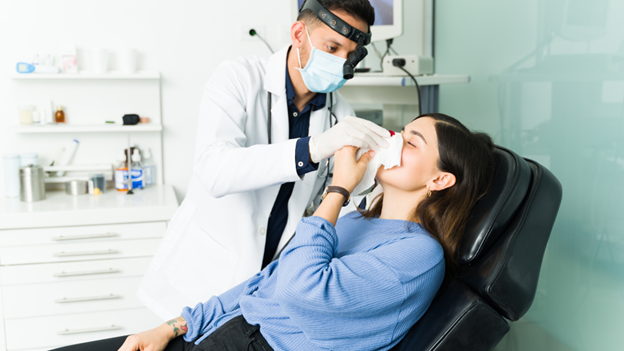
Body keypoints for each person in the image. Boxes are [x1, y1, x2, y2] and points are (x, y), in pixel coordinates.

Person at [52, 113, 496, 351]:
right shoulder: (360, 219)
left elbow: (304, 287)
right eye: (402, 131)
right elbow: (265, 280)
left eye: (411, 142)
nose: (394, 141)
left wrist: (338, 187)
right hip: (222, 329)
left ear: (439, 181)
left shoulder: (419, 257)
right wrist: (173, 326)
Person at [138, 0, 391, 321]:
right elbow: (215, 171)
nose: (342, 62)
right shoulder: (237, 79)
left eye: (350, 54)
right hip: (204, 276)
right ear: (299, 33)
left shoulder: (340, 116)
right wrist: (312, 148)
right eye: (332, 47)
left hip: (265, 282)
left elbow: (325, 204)